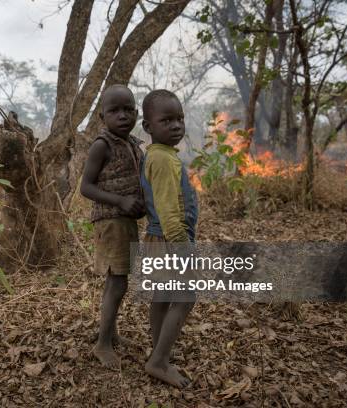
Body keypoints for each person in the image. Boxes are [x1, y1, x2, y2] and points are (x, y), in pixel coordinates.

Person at [80, 84, 145, 369]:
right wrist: (120, 200)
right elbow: (85, 187)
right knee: (116, 282)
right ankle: (102, 344)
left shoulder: (131, 143)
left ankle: (111, 334)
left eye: (128, 110)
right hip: (111, 221)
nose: (122, 116)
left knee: (118, 280)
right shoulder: (101, 145)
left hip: (125, 221)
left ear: (137, 113)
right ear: (101, 116)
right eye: (114, 111)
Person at [139, 89, 198, 387]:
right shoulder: (162, 160)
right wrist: (184, 248)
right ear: (148, 127)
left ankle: (159, 349)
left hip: (157, 239)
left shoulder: (160, 154)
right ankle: (159, 361)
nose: (176, 125)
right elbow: (167, 211)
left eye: (180, 119)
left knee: (162, 296)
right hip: (167, 239)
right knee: (186, 296)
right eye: (167, 120)